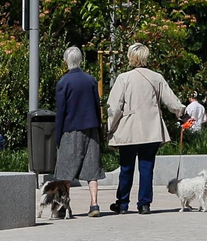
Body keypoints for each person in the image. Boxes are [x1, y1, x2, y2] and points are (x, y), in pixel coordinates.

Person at [106, 42, 186, 214]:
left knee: (126, 168)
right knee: (146, 167)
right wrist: (182, 113)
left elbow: (115, 107)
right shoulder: (156, 78)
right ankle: (144, 204)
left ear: (131, 57)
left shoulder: (123, 78)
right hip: (151, 130)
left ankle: (122, 203)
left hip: (129, 130)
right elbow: (171, 100)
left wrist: (110, 128)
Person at [52, 47, 104, 216]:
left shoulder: (63, 82)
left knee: (66, 169)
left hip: (71, 130)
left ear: (66, 61)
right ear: (80, 60)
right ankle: (94, 204)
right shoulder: (90, 80)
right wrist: (99, 128)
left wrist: (57, 136)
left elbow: (61, 112)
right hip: (91, 128)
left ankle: (63, 207)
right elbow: (97, 106)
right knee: (91, 168)